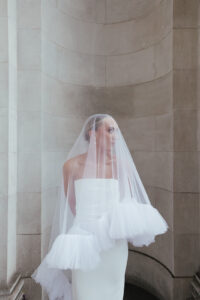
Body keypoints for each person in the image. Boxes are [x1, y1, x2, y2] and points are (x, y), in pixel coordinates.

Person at [31, 113, 169, 300]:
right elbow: (72, 205)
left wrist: (109, 226)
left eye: (117, 132)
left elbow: (126, 203)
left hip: (113, 247)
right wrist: (89, 225)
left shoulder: (123, 165)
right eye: (111, 130)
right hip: (84, 243)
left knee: (112, 293)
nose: (116, 137)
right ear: (93, 133)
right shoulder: (71, 166)